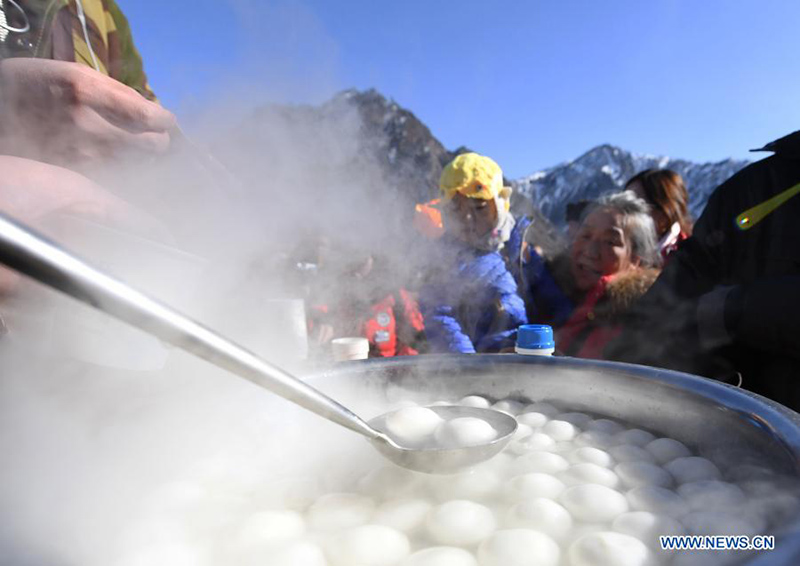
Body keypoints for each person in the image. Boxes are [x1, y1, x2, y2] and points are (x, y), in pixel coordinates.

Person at [607, 131, 800, 410]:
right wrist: (620, 365)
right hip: (724, 422)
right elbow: (684, 280)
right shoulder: (755, 187)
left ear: (664, 214)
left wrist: (732, 309)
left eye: (638, 207)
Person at [523, 191, 661, 358]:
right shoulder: (542, 290)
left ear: (636, 260)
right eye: (585, 235)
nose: (590, 251)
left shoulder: (640, 322)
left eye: (610, 241)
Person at [418, 153, 527, 353]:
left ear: (500, 206)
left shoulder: (517, 244)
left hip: (522, 353)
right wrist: (468, 364)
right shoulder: (442, 260)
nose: (467, 218)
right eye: (455, 209)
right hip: (483, 364)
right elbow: (439, 316)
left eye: (479, 207)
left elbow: (548, 296)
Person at [625, 169, 692, 260]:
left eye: (634, 206)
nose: (624, 213)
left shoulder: (691, 257)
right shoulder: (613, 250)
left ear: (665, 211)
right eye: (622, 203)